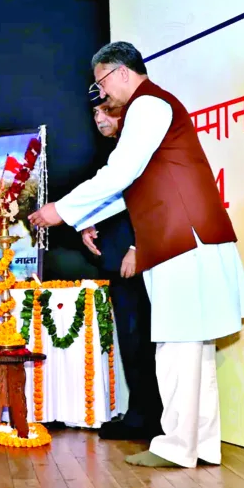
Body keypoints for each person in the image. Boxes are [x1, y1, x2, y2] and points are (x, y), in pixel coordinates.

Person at [29, 41, 244, 468]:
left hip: (182, 240)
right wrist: (82, 218)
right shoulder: (151, 108)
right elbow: (130, 188)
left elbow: (120, 173)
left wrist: (61, 209)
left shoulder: (147, 107)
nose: (102, 96)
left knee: (177, 345)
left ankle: (175, 446)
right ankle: (199, 445)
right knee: (194, 347)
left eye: (101, 84)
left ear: (118, 72)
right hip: (187, 240)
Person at [82, 95, 163, 440]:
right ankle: (138, 413)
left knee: (144, 340)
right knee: (130, 342)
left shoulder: (138, 150)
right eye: (95, 113)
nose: (99, 118)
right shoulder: (109, 152)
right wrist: (87, 224)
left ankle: (154, 419)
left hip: (140, 261)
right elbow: (109, 200)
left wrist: (136, 247)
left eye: (106, 110)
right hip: (115, 261)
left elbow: (150, 202)